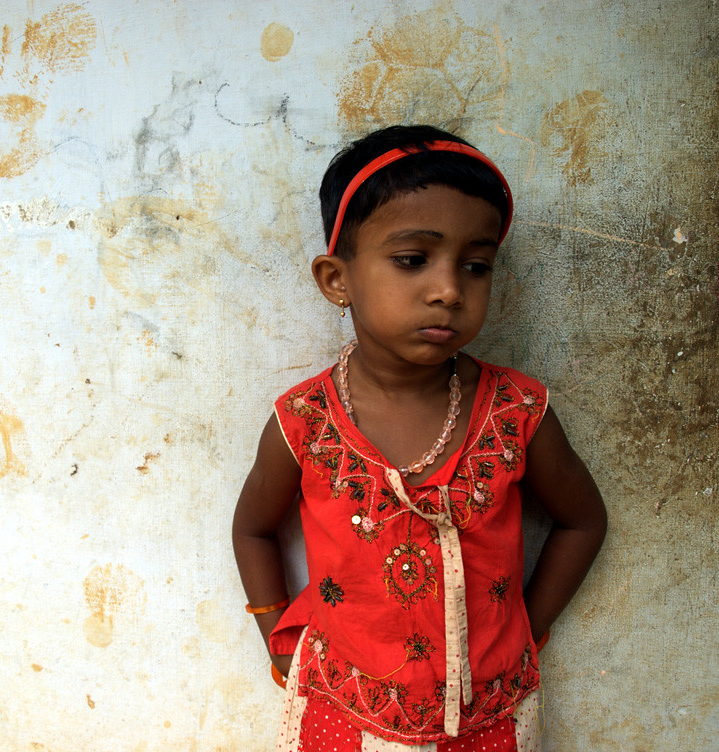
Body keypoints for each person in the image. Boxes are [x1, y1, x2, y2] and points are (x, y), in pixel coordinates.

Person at [232, 125, 607, 752]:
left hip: (489, 715)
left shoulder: (517, 412)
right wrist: (277, 636)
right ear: (336, 279)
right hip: (344, 713)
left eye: (476, 265)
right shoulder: (304, 420)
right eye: (412, 260)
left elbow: (583, 521)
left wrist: (526, 629)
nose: (449, 290)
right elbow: (252, 528)